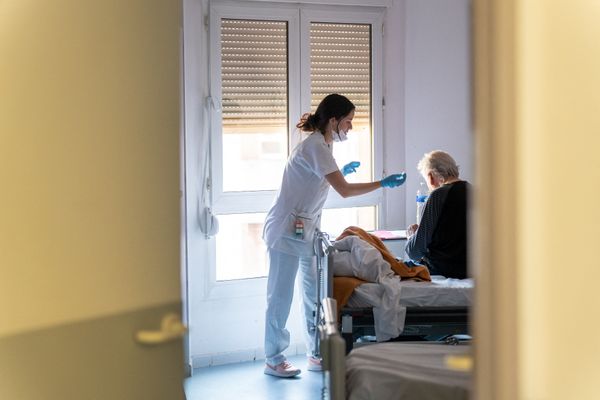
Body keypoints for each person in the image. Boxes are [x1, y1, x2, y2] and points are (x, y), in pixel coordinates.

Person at [262, 93, 406, 378]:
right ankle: (273, 358)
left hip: (305, 232)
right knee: (280, 296)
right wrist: (382, 183)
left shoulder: (324, 145)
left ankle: (316, 352)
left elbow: (321, 181)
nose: (351, 127)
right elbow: (344, 190)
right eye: (349, 121)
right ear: (333, 120)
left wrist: (342, 170)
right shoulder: (316, 145)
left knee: (314, 294)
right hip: (285, 232)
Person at [404, 150, 469, 279]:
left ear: (430, 177)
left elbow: (415, 251)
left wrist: (412, 236)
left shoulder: (438, 195)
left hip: (441, 269)